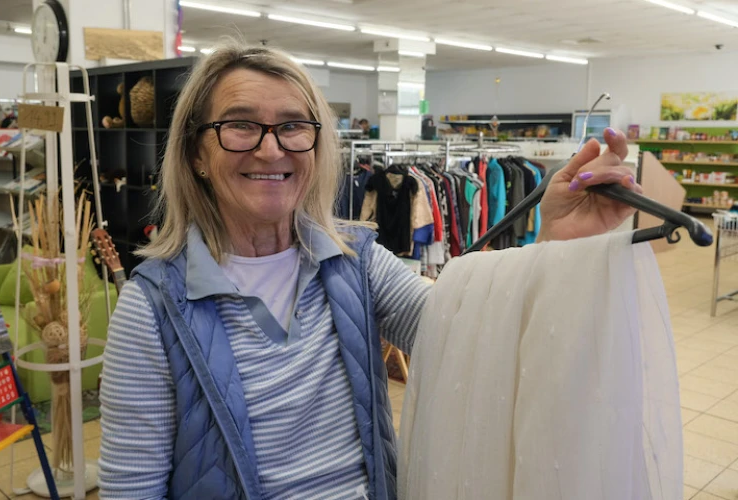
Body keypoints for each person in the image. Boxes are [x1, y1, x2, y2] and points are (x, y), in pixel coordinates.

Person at [98, 42, 640, 500]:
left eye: (292, 126)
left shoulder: (355, 262)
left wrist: (557, 243)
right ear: (196, 152)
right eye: (241, 126)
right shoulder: (152, 309)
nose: (271, 149)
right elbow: (132, 487)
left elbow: (473, 334)